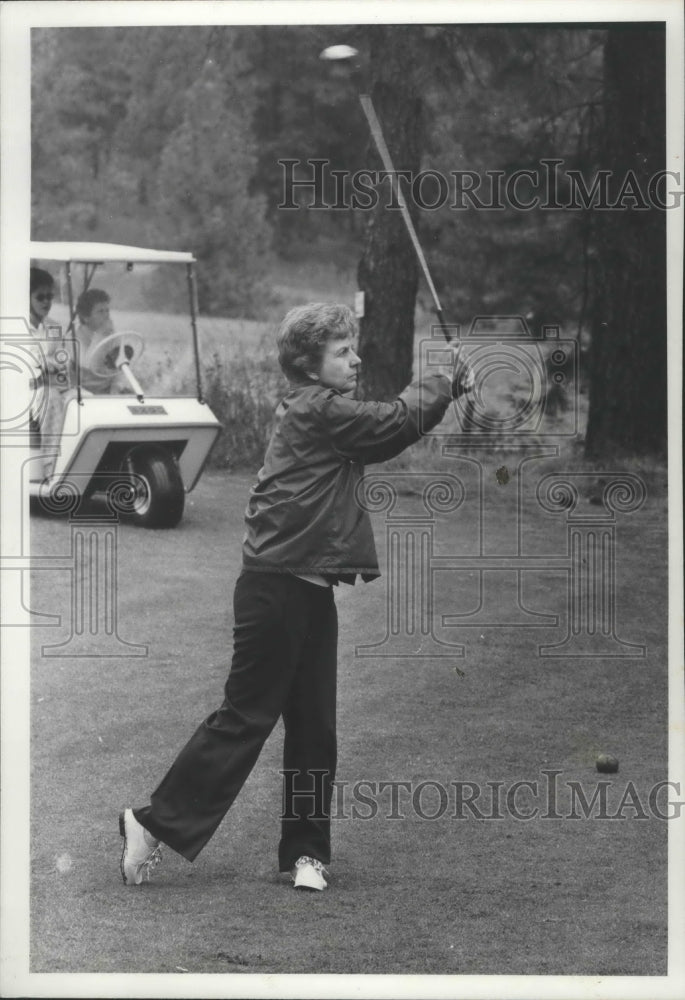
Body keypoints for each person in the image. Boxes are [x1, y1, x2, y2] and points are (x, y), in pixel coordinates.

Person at [119, 302, 472, 891]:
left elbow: (381, 425)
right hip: (274, 589)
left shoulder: (323, 409)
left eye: (353, 348)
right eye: (342, 351)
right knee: (246, 719)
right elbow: (388, 426)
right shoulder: (317, 408)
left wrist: (441, 386)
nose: (356, 358)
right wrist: (442, 379)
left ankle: (305, 854)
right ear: (309, 365)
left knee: (315, 726)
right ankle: (149, 824)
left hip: (308, 590)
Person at [28, 267, 70, 476]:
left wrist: (55, 363)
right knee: (50, 399)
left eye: (50, 296)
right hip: (24, 388)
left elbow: (62, 357)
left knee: (83, 400)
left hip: (52, 384)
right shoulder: (17, 326)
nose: (46, 302)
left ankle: (69, 463)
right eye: (40, 297)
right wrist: (45, 364)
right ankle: (47, 467)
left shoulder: (53, 327)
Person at [73, 288, 118, 393]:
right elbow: (88, 366)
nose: (106, 315)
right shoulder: (73, 339)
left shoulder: (112, 336)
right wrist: (100, 335)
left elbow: (120, 368)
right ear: (86, 317)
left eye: (107, 311)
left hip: (109, 390)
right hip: (83, 392)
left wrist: (117, 388)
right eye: (100, 311)